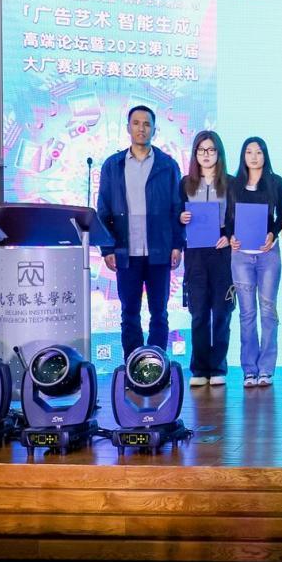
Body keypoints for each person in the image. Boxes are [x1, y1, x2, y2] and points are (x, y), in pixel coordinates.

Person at [96, 105, 184, 361]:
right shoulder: (113, 165)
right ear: (128, 128)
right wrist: (107, 248)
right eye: (136, 123)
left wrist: (177, 244)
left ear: (154, 130)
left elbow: (177, 207)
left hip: (159, 250)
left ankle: (156, 365)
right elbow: (103, 209)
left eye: (147, 124)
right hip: (126, 251)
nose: (141, 128)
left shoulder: (168, 165)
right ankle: (133, 364)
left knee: (160, 313)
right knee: (129, 313)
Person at [226, 137, 282, 387]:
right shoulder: (233, 184)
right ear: (243, 156)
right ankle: (249, 369)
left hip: (268, 255)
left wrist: (273, 233)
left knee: (268, 312)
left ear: (265, 155)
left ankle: (266, 369)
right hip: (241, 256)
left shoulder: (275, 182)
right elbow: (228, 217)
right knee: (247, 313)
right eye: (249, 152)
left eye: (258, 152)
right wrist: (230, 236)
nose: (253, 156)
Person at [178, 129, 233, 386]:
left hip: (222, 250)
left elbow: (237, 216)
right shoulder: (185, 183)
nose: (206, 155)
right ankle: (199, 369)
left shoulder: (230, 183)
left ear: (219, 153)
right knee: (199, 312)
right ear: (195, 154)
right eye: (201, 150)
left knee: (222, 311)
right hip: (195, 252)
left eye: (211, 150)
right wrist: (180, 217)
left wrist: (229, 235)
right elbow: (175, 215)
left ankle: (218, 367)